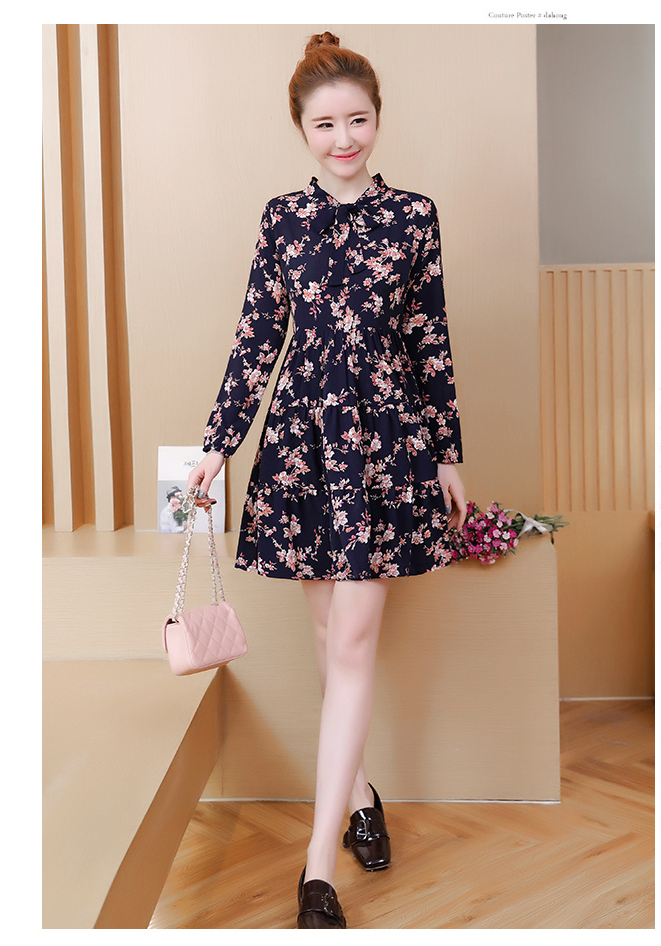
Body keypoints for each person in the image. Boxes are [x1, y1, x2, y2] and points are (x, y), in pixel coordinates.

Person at [186, 31, 466, 929]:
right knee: (326, 636)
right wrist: (219, 444)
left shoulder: (414, 216)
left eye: (358, 120)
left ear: (378, 119)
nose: (344, 139)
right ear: (301, 129)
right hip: (303, 446)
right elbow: (257, 339)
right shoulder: (282, 219)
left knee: (349, 645)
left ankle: (316, 871)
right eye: (325, 124)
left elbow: (429, 338)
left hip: (385, 446)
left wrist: (448, 452)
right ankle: (363, 794)